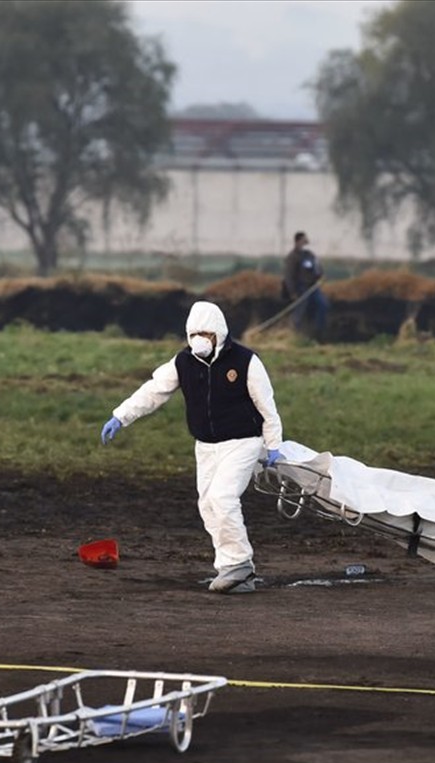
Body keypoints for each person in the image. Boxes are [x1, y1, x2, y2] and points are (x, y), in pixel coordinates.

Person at [100, 300, 285, 594]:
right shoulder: (182, 363)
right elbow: (152, 391)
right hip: (206, 445)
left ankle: (240, 564)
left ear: (219, 333)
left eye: (207, 333)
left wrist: (274, 444)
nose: (201, 339)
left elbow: (267, 406)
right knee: (208, 504)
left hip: (242, 441)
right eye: (195, 333)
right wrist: (120, 416)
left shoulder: (246, 361)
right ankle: (230, 567)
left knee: (223, 498)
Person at [283, 231, 328, 341]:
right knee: (300, 311)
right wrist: (292, 292)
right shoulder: (292, 257)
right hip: (301, 289)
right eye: (304, 239)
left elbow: (318, 268)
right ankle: (296, 335)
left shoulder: (309, 255)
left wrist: (321, 276)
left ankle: (318, 332)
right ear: (298, 241)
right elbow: (289, 276)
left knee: (323, 305)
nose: (306, 241)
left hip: (313, 288)